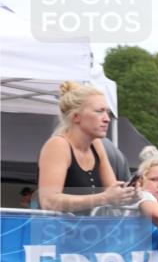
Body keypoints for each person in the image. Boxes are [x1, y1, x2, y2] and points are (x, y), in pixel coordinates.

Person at [36, 81, 139, 213]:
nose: (107, 119)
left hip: (90, 230)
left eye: (107, 112)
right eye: (99, 111)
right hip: (58, 232)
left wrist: (128, 194)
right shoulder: (58, 145)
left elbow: (112, 190)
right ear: (76, 117)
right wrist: (104, 198)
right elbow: (49, 202)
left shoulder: (96, 145)